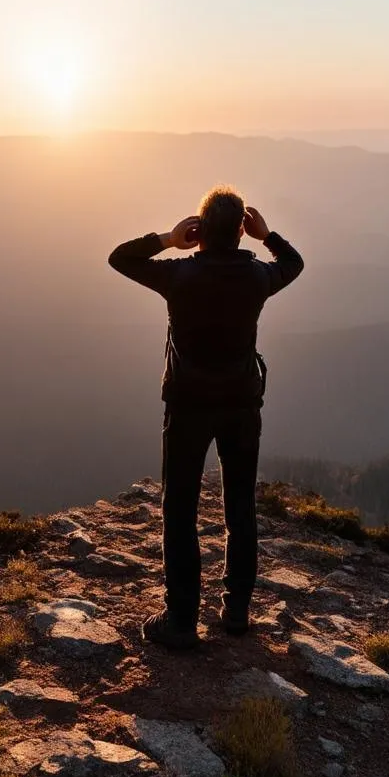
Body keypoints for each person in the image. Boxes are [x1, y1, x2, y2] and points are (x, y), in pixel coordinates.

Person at [108, 187, 304, 650]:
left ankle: (180, 621)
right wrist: (268, 235)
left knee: (180, 510)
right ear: (240, 231)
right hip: (241, 405)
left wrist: (167, 239)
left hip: (188, 405)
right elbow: (293, 264)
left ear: (198, 232)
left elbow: (120, 258)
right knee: (240, 507)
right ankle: (236, 612)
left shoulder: (180, 275)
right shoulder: (258, 276)